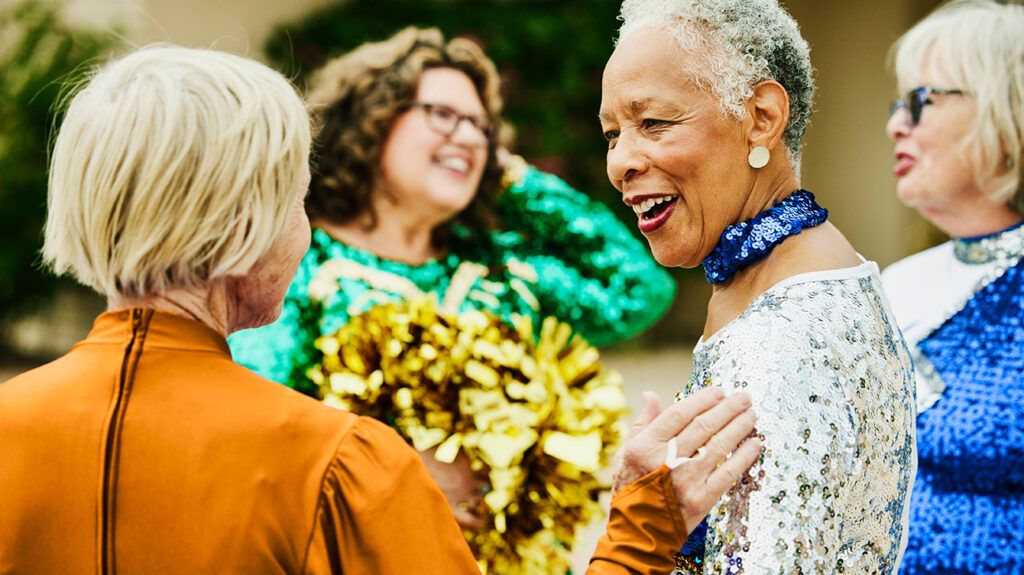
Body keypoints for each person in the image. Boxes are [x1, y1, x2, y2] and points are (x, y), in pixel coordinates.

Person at [0, 44, 762, 575]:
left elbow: (631, 283)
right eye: (297, 199)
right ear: (241, 228)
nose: (306, 226)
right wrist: (640, 526)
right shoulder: (343, 466)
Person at [226, 26, 676, 531]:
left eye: (480, 127)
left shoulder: (499, 270)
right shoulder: (303, 264)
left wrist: (509, 176)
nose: (466, 134)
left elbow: (637, 287)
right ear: (372, 120)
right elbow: (252, 422)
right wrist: (392, 469)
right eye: (442, 114)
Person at [599, 0, 918, 573]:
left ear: (762, 117)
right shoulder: (790, 277)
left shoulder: (785, 335)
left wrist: (638, 522)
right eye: (611, 135)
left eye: (653, 123)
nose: (621, 161)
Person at [880, 1, 1024, 573]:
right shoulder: (894, 284)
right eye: (897, 105)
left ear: (1010, 110)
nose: (895, 125)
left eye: (922, 101)